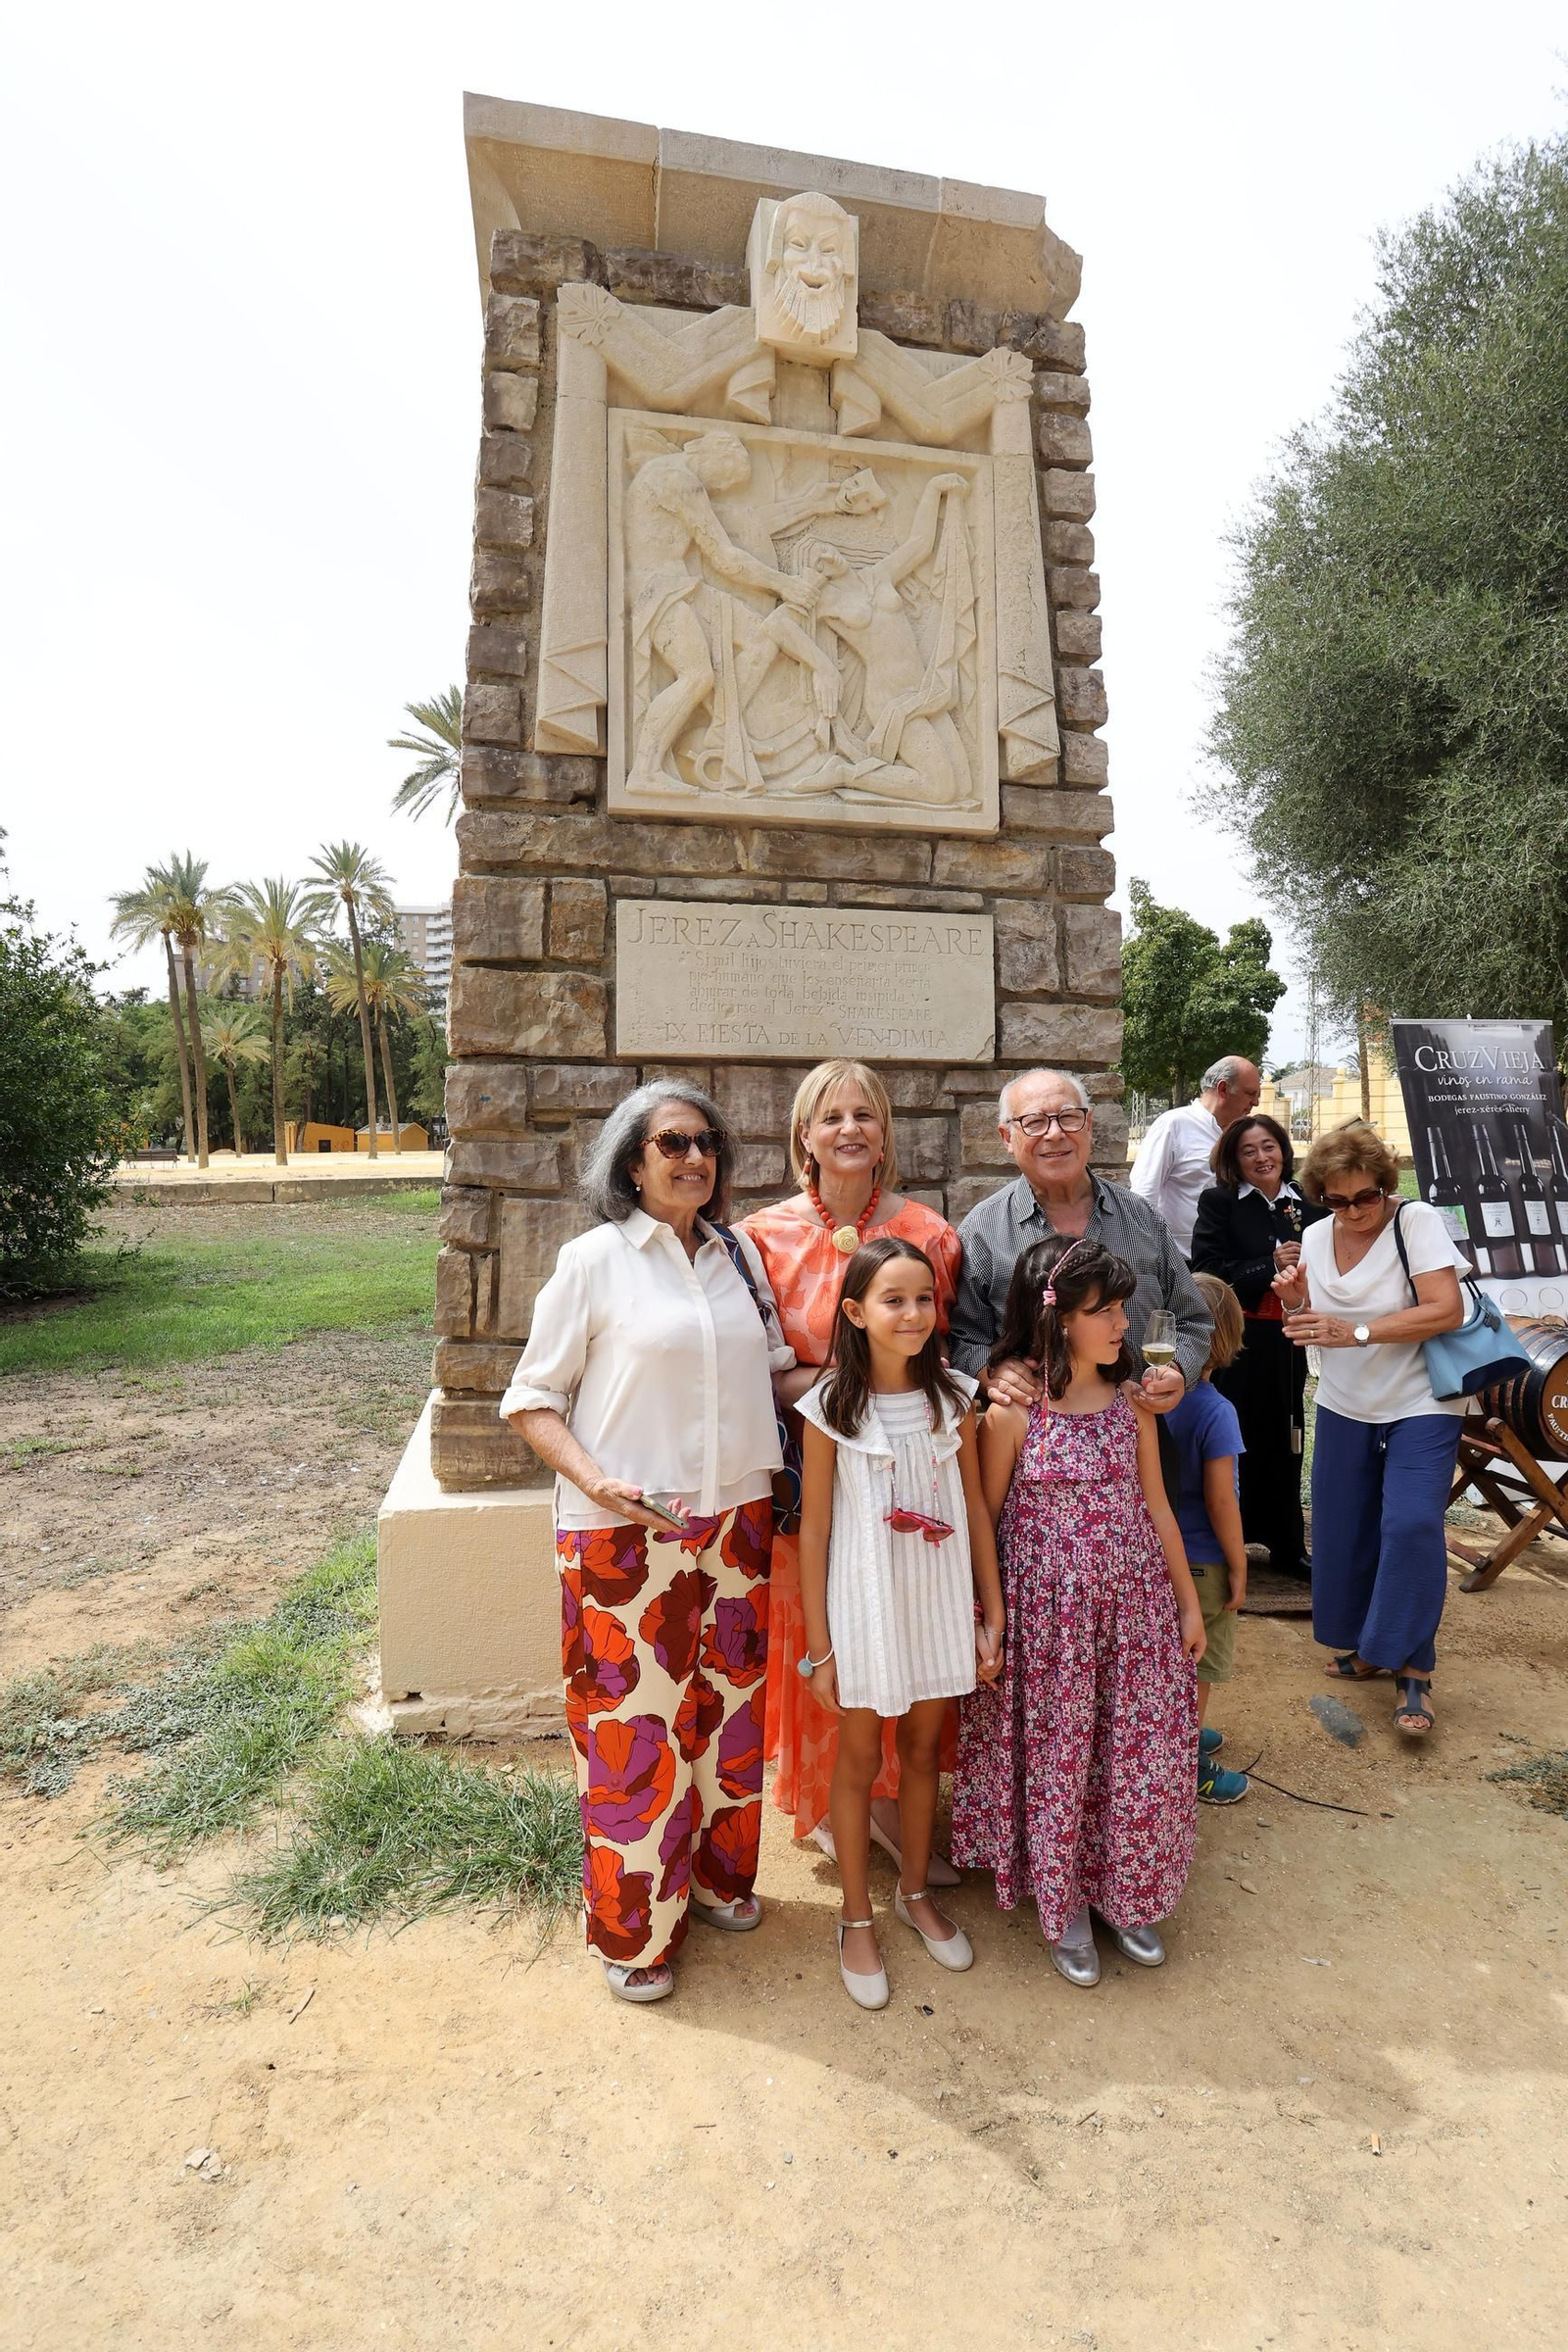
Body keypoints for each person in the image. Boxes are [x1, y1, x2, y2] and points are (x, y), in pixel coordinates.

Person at [499, 1081, 794, 2004]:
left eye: (708, 1141)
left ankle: (715, 1883)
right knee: (635, 1736)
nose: (695, 1157)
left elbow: (782, 1379)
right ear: (633, 1159)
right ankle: (636, 1932)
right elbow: (532, 1399)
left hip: (739, 1522)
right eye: (673, 1142)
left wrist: (911, 1383)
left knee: (727, 1719)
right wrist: (594, 1481)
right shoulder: (593, 1261)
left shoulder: (739, 1257)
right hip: (626, 1532)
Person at [953, 1236, 1203, 1985]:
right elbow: (986, 1517)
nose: (1124, 1322)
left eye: (1124, 1307)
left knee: (1132, 1751)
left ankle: (1125, 1895)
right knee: (1062, 1758)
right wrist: (991, 1616)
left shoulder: (1133, 1402)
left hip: (1135, 1610)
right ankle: (1061, 1906)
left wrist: (1188, 1604)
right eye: (1108, 1310)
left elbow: (1158, 1506)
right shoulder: (1016, 1411)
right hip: (1048, 1619)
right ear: (1059, 1320)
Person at [741, 1059, 964, 1873]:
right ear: (804, 1135)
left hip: (912, 1474)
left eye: (864, 1116)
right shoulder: (761, 1239)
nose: (848, 1130)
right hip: (815, 1474)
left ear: (885, 1135)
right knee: (832, 1635)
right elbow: (756, 1368)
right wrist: (841, 1385)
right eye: (830, 1117)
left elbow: (949, 1356)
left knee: (906, 1630)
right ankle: (838, 1804)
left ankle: (895, 1810)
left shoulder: (930, 1235)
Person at [797, 1238, 1005, 2010]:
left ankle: (915, 1891)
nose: (913, 1313)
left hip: (940, 1598)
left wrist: (992, 1610)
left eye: (924, 1298)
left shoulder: (954, 1397)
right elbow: (814, 1531)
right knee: (858, 1759)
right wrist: (821, 1649)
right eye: (893, 1299)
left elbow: (977, 1513)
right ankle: (856, 1915)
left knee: (923, 1749)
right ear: (855, 1312)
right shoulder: (826, 1410)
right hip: (865, 1607)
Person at [1271, 1126, 1466, 1738]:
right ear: (1320, 1197)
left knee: (1410, 1524)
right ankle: (1367, 1645)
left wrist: (1356, 1333)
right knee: (1344, 1530)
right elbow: (1309, 1326)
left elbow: (1445, 1309)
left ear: (1385, 1186)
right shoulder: (1313, 1237)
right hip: (1345, 1401)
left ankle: (1414, 1670)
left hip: (1422, 1400)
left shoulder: (1416, 1222)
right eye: (1338, 1200)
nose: (1354, 1210)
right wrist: (1296, 1305)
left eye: (1367, 1196)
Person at [949, 1067, 1211, 1417]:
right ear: (1006, 1138)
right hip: (1033, 1447)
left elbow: (1193, 1320)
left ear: (1089, 1126)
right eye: (1035, 1122)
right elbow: (962, 1338)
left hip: (1141, 1433)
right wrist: (990, 1371)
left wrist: (1177, 1370)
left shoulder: (1143, 1218)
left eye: (1068, 1118)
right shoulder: (983, 1231)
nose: (1055, 1134)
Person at [1191, 1113, 1329, 1579]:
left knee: (1286, 1436)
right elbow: (1208, 1270)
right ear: (1234, 1160)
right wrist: (1267, 1263)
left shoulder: (1308, 1203)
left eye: (1268, 1146)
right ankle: (1225, 1543)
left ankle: (1286, 1545)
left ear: (1284, 1150)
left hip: (1288, 1338)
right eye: (1248, 1151)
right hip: (1239, 1341)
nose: (1261, 1158)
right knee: (1235, 1435)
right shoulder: (1219, 1203)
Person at [1167, 1273, 1252, 1804]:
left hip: (1162, 1556)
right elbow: (1223, 1501)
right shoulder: (1216, 1411)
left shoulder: (1148, 1401)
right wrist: (1239, 1563)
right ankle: (1186, 1764)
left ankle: (1178, 1741)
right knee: (1197, 1668)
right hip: (1204, 1562)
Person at [1129, 1056, 1263, 1260]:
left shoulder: (1244, 1134)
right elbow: (1144, 1194)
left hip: (1232, 1262)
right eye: (1250, 1093)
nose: (1256, 1102)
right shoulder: (1173, 1125)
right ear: (1223, 1089)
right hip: (1181, 1262)